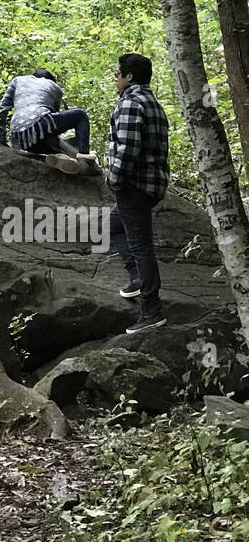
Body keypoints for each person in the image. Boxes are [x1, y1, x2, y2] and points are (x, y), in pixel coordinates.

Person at [107, 53, 170, 333]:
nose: (116, 78)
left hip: (134, 185)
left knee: (140, 245)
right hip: (152, 183)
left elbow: (128, 148)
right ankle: (136, 280)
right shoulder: (152, 101)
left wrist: (114, 179)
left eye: (118, 74)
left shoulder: (131, 102)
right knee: (114, 225)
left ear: (129, 77)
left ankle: (152, 311)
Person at [0, 68, 94, 173]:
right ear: (50, 80)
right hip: (40, 123)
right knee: (80, 115)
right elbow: (53, 120)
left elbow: (2, 109)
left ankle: (59, 157)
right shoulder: (55, 87)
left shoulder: (17, 80)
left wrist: (1, 139)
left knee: (53, 145)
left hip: (20, 138)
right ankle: (84, 161)